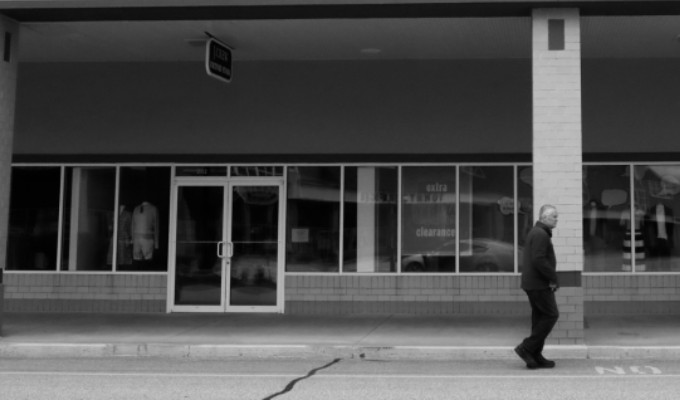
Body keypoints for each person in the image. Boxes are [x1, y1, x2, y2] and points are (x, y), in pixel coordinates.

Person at [515, 204, 560, 369]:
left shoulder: (538, 232)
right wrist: (553, 278)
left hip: (533, 283)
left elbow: (538, 259)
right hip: (538, 284)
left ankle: (534, 354)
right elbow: (539, 260)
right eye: (554, 216)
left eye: (556, 216)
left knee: (539, 318)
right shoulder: (541, 234)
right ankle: (526, 347)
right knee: (551, 315)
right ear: (544, 217)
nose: (557, 219)